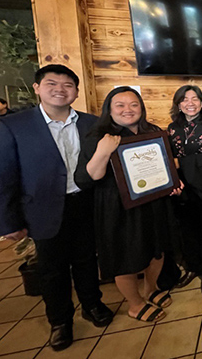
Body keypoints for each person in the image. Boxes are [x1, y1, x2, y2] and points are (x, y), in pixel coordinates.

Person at [0, 65, 113, 352]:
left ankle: (92, 304)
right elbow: (0, 178)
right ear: (37, 88)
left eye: (68, 84)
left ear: (76, 91)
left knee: (86, 259)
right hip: (42, 209)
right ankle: (60, 321)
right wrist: (7, 223)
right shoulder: (13, 125)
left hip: (84, 202)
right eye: (52, 83)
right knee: (51, 269)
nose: (60, 89)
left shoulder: (91, 123)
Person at [75, 86, 182, 323]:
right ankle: (134, 304)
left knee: (157, 249)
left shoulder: (152, 132)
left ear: (141, 108)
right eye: (120, 105)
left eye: (134, 104)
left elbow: (166, 166)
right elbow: (85, 178)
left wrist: (173, 182)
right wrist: (103, 152)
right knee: (125, 257)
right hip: (119, 208)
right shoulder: (100, 137)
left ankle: (150, 289)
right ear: (109, 110)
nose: (128, 110)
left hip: (154, 203)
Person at [167, 85, 202, 293]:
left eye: (195, 99)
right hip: (181, 189)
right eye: (185, 99)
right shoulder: (172, 128)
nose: (190, 103)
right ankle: (192, 267)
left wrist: (181, 161)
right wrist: (180, 165)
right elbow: (168, 159)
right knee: (186, 231)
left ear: (201, 103)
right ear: (179, 104)